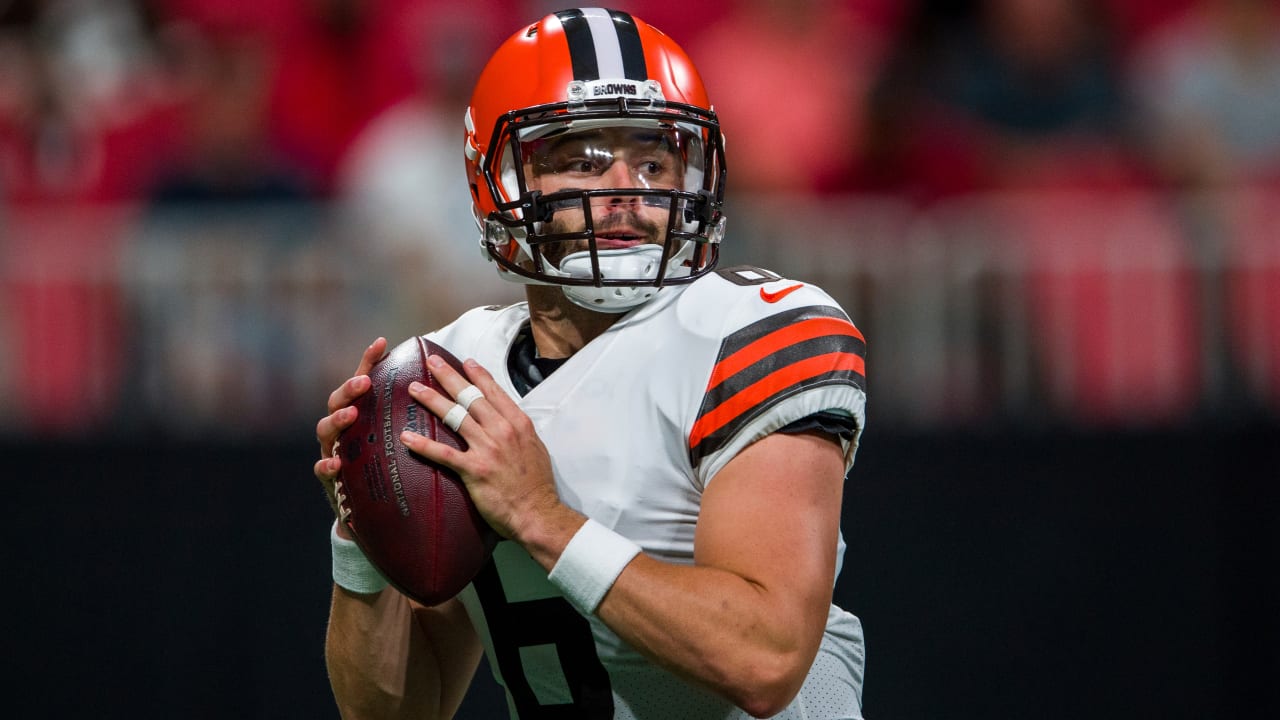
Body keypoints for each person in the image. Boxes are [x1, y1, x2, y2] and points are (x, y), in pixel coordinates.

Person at [313, 8, 868, 719]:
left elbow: (765, 658)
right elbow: (393, 714)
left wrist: (544, 520)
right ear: (500, 179)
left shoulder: (749, 333)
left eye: (654, 160)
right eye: (582, 159)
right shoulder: (452, 374)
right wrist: (362, 536)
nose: (627, 190)